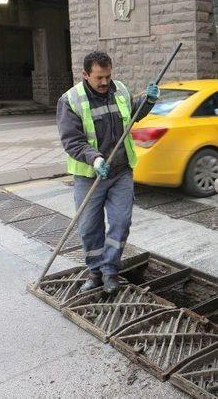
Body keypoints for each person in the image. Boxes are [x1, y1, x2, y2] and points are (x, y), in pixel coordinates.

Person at [56, 51, 159, 294]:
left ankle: (111, 271)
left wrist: (148, 101)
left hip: (121, 172)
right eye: (99, 78)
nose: (104, 82)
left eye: (108, 76)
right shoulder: (70, 100)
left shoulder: (119, 89)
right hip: (89, 175)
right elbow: (72, 140)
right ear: (85, 75)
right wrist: (95, 158)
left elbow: (132, 115)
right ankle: (95, 272)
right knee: (90, 227)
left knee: (121, 223)